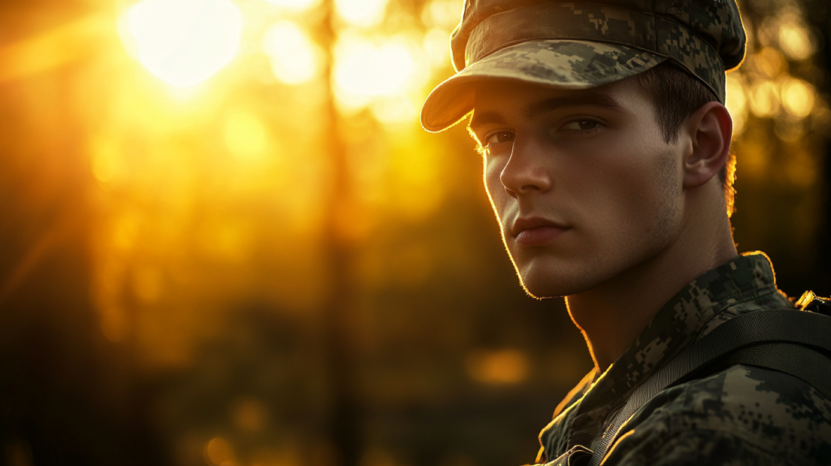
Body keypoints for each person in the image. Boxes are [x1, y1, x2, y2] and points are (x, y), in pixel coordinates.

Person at [420, 0, 831, 464]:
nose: (518, 175)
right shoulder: (624, 393)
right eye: (498, 137)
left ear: (701, 145)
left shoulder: (715, 433)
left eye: (579, 123)